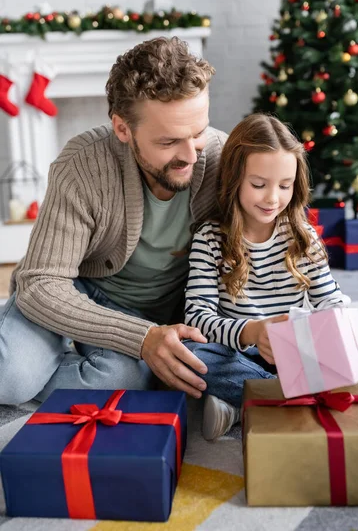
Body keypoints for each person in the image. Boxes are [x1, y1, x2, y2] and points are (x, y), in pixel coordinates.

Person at [0, 36, 227, 405]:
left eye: (198, 133)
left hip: (158, 309)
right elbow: (41, 282)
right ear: (123, 129)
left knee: (124, 379)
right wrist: (141, 338)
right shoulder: (83, 164)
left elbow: (285, 240)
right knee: (10, 379)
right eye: (169, 141)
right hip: (80, 290)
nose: (190, 155)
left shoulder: (223, 159)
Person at [184, 113, 358, 441]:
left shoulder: (302, 236)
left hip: (304, 354)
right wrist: (252, 331)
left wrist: (351, 335)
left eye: (284, 186)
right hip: (240, 354)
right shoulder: (210, 239)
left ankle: (248, 404)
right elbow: (198, 320)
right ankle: (303, 398)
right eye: (258, 184)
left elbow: (329, 300)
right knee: (190, 355)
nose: (272, 198)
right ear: (234, 179)